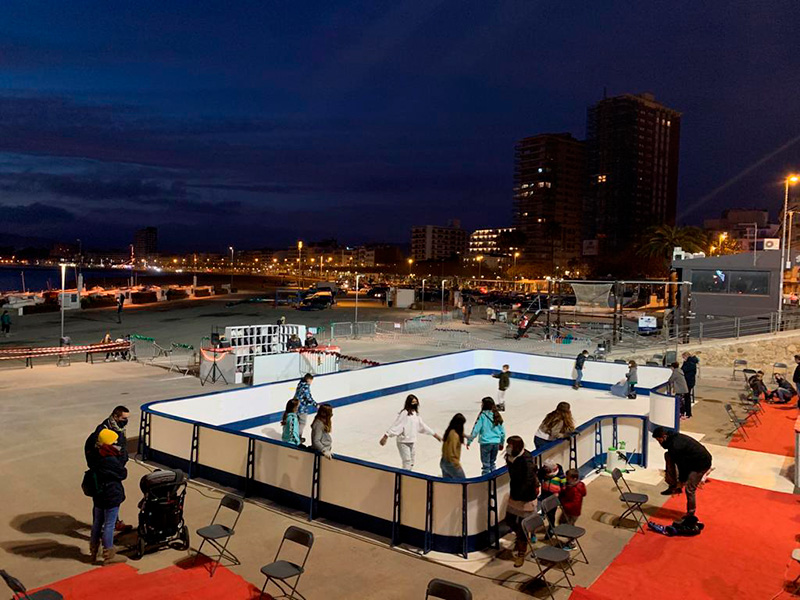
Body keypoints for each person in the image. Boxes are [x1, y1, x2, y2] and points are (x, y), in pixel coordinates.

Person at [84, 406, 132, 534]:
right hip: (104, 472)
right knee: (100, 502)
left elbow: (121, 448)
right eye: (124, 418)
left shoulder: (119, 428)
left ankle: (115, 522)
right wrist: (102, 467)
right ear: (115, 416)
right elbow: (93, 451)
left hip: (114, 470)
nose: (126, 421)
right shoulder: (102, 431)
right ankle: (100, 531)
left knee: (113, 498)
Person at [87, 428, 128, 564]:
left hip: (98, 494)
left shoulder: (96, 454)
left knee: (97, 522)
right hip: (111, 494)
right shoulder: (110, 459)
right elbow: (122, 473)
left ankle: (93, 551)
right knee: (109, 524)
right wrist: (121, 456)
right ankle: (109, 554)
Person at [653, 426, 712, 517]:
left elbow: (682, 466)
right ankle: (673, 486)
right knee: (668, 455)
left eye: (659, 441)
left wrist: (681, 481)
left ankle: (690, 514)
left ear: (664, 437)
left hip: (701, 463)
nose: (659, 443)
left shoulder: (675, 446)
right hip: (691, 459)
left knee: (690, 489)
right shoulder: (672, 439)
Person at [380, 394, 442, 470]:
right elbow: (396, 425)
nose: (415, 404)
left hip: (412, 441)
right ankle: (404, 477)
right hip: (403, 442)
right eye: (413, 402)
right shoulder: (405, 413)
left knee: (412, 461)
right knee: (407, 461)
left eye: (416, 402)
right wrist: (386, 436)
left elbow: (422, 426)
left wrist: (434, 434)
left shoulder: (415, 414)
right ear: (409, 403)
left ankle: (409, 475)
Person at [504, 436, 539, 568]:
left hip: (525, 497)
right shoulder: (510, 457)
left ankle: (521, 552)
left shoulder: (526, 459)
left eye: (510, 445)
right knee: (510, 520)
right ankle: (520, 538)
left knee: (523, 526)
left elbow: (529, 479)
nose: (508, 447)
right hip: (515, 495)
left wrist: (520, 493)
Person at [466, 398, 505, 475]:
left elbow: (476, 430)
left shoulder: (483, 416)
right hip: (496, 443)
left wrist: (469, 441)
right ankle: (494, 479)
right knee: (492, 463)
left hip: (485, 443)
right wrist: (501, 442)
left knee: (486, 466)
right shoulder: (496, 415)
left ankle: (486, 482)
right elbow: (502, 432)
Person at [538, 459, 566, 537]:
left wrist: (561, 496)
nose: (546, 470)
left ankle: (551, 528)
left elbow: (564, 485)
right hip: (545, 494)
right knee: (546, 511)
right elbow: (538, 477)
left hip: (554, 496)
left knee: (551, 514)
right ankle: (549, 522)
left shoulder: (560, 474)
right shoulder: (542, 472)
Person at [440, 413, 467, 479]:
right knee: (463, 483)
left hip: (444, 461)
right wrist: (456, 464)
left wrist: (465, 436)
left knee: (448, 486)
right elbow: (451, 451)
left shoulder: (450, 431)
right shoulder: (454, 435)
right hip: (451, 463)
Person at [293, 373, 317, 442]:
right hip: (302, 408)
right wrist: (315, 404)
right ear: (309, 380)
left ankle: (295, 435)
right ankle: (298, 437)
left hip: (296, 406)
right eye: (311, 380)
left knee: (297, 422)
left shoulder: (300, 383)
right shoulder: (306, 386)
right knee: (302, 422)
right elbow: (308, 398)